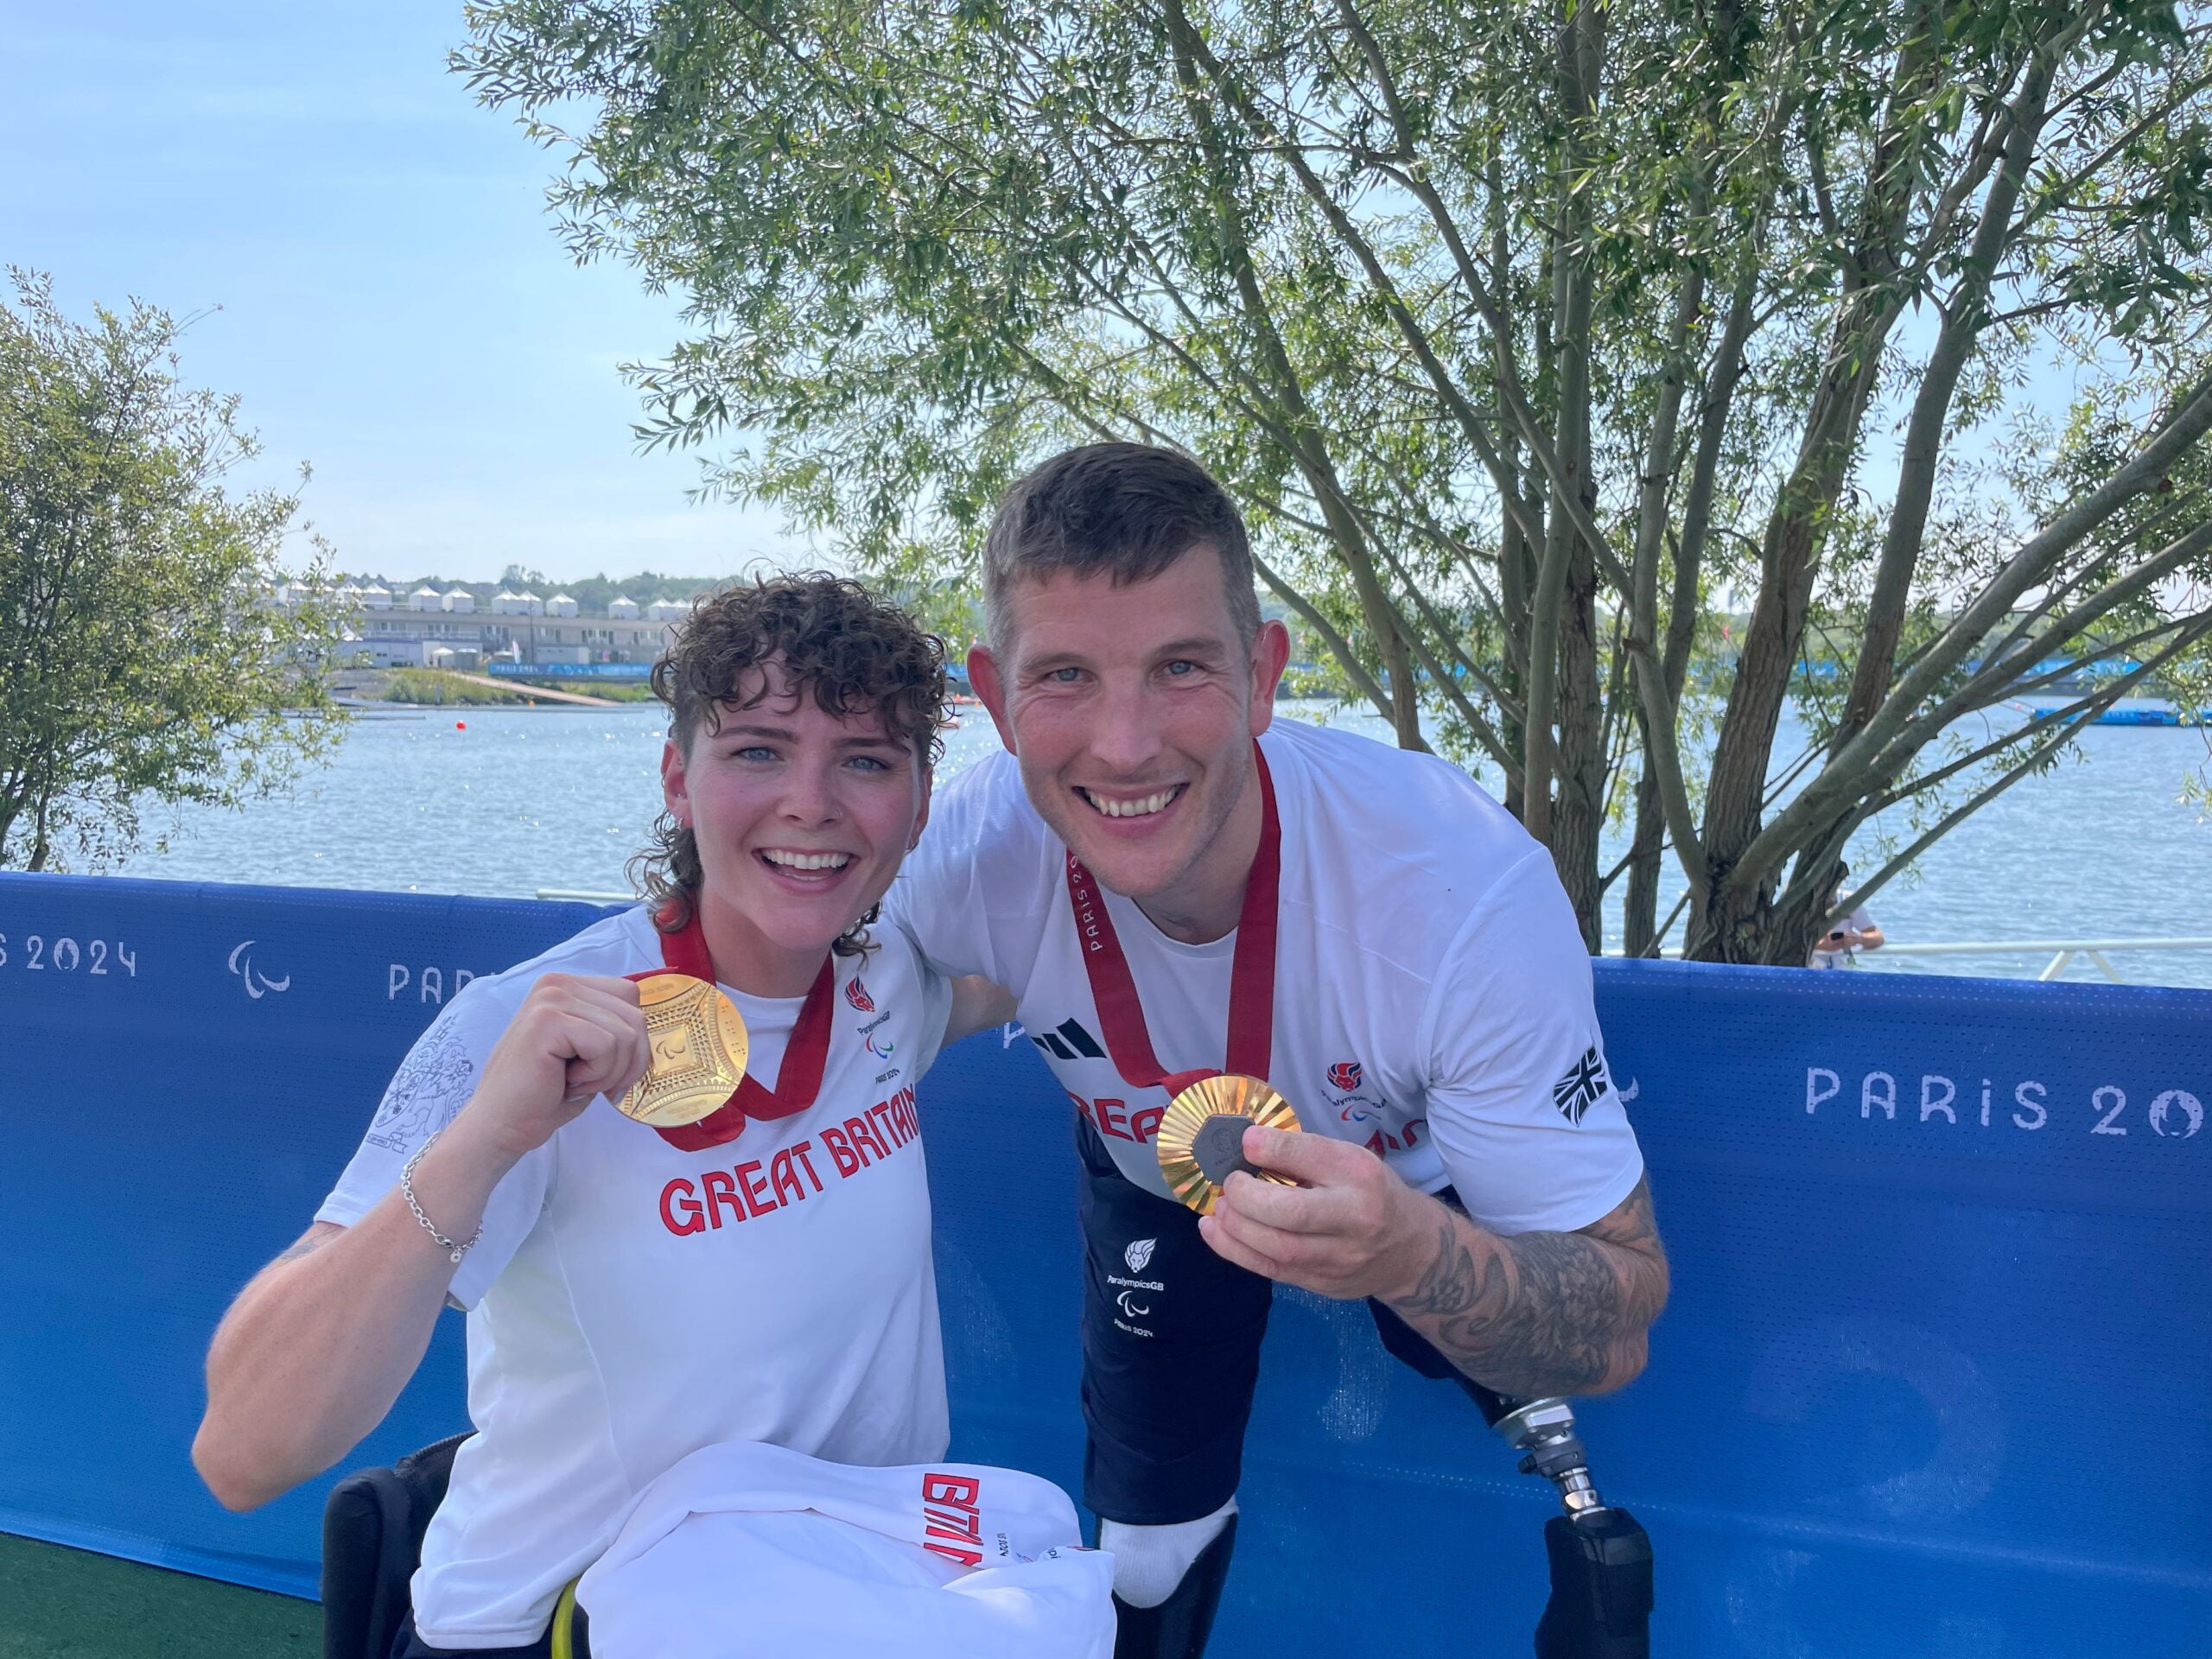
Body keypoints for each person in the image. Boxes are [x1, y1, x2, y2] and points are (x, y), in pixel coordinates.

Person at [192, 576, 1103, 1657]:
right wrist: (486, 1137)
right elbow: (244, 1451)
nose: (811, 801)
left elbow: (1062, 927)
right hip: (556, 1625)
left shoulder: (889, 981)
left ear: (914, 802)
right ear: (678, 776)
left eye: (864, 759)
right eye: (758, 749)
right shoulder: (522, 1032)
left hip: (851, 1594)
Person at [890, 443, 1671, 1658]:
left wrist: (1415, 1252)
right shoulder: (966, 855)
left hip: (1415, 1183)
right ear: (993, 699)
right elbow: (779, 974)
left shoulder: (1457, 890)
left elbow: (1619, 1314)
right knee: (1146, 1543)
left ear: (1263, 677)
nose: (1126, 743)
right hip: (1152, 1177)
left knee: (1520, 1362)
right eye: (1066, 676)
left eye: (1181, 667)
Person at [1809, 863, 1885, 969]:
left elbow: (1878, 937)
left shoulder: (1848, 901)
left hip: (1840, 967)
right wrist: (1817, 945)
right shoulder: (1801, 903)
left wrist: (1858, 939)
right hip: (1808, 966)